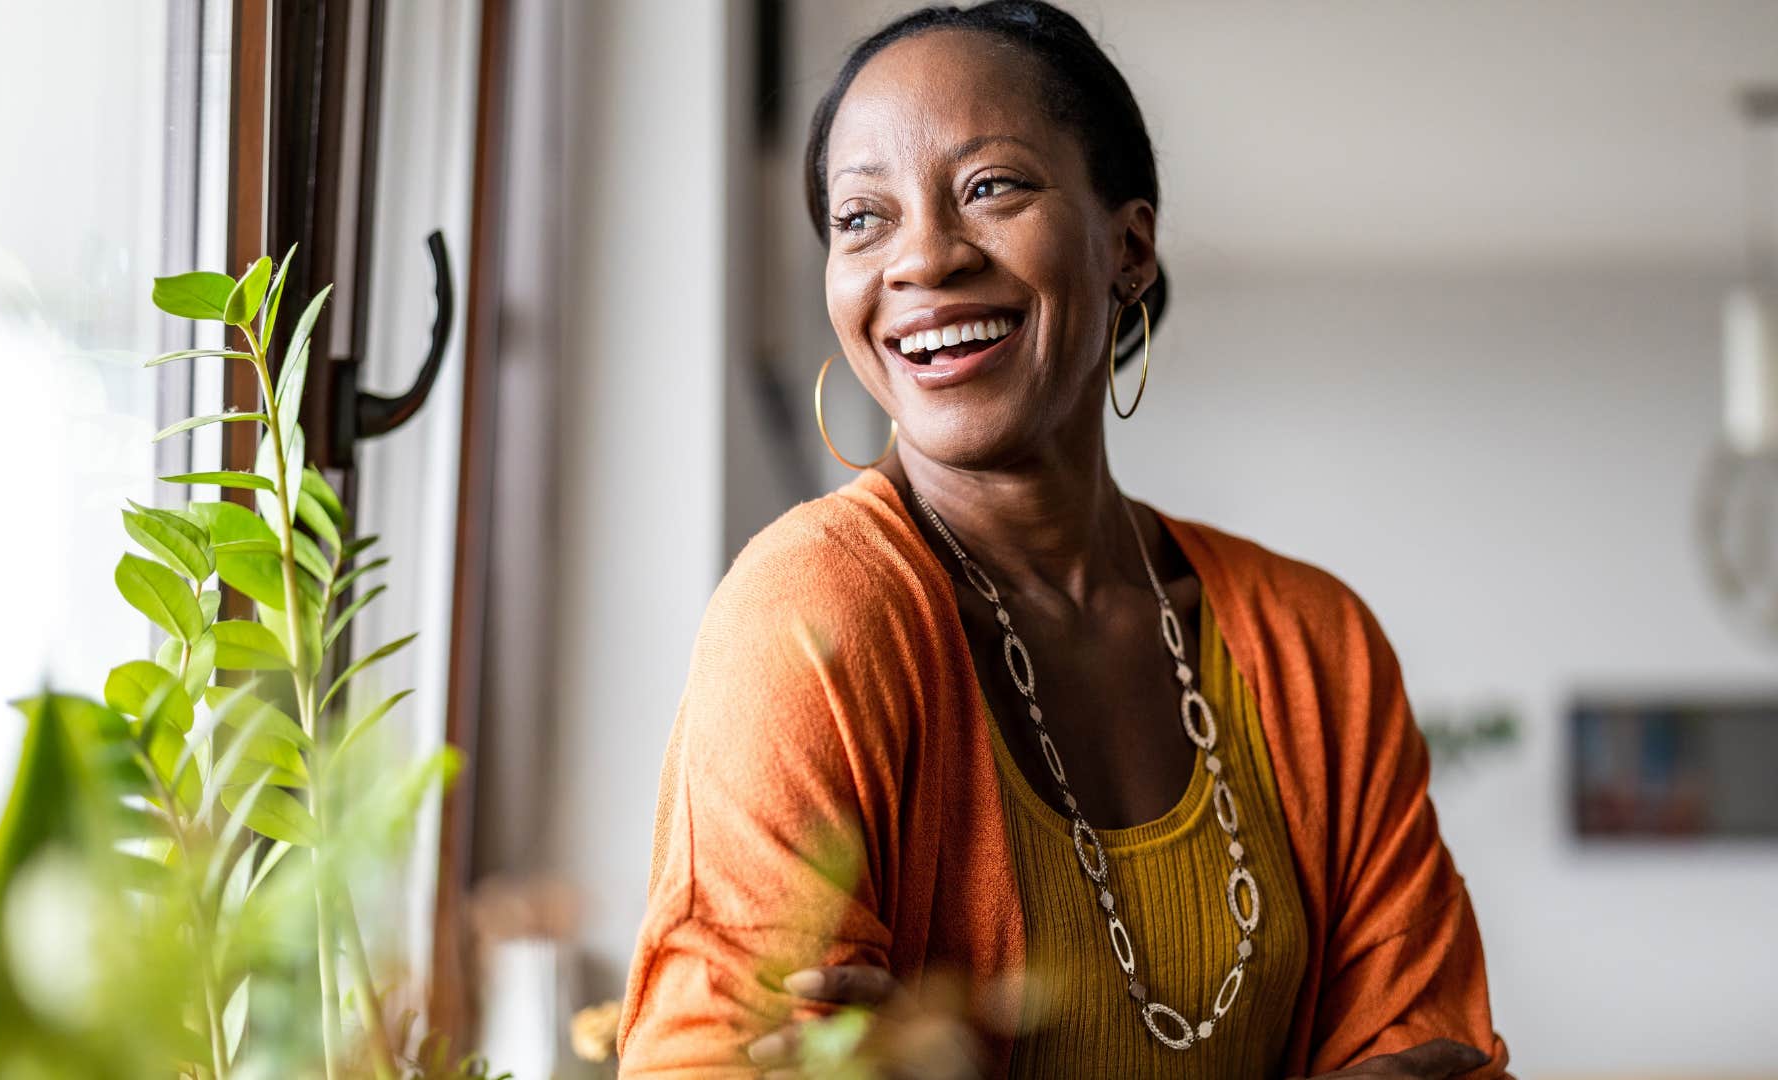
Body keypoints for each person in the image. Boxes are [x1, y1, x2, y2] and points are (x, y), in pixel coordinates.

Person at [618, 3, 1510, 1076]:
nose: (924, 259)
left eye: (991, 188)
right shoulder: (811, 610)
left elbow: (1435, 1053)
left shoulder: (1315, 643)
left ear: (1128, 248)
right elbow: (714, 1057)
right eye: (862, 218)